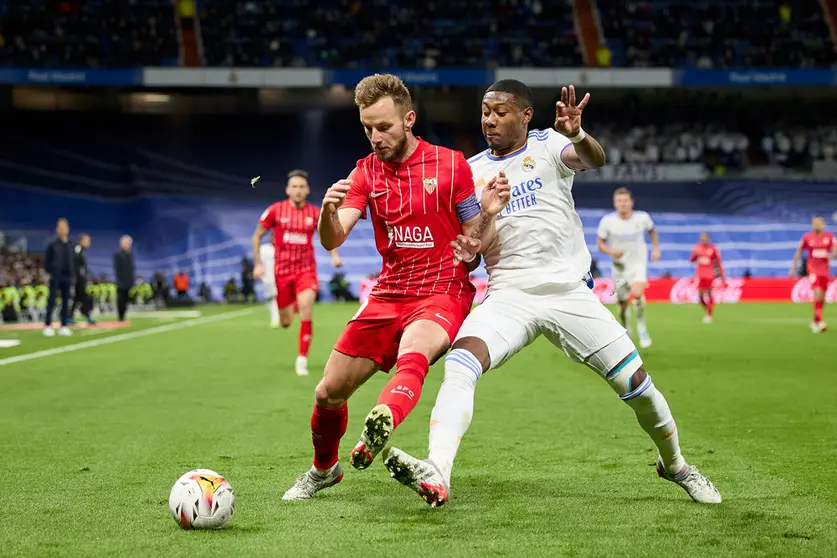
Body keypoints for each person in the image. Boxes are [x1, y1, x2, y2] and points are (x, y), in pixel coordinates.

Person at [382, 80, 721, 507]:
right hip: (509, 293)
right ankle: (438, 469)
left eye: (500, 112)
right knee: (461, 364)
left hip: (568, 293)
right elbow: (470, 252)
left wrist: (577, 132)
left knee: (640, 388)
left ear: (526, 115)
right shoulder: (469, 172)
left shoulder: (549, 146)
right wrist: (473, 242)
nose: (489, 120)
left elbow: (593, 159)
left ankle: (676, 466)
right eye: (485, 112)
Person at [281, 73, 509, 501]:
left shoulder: (450, 164)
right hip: (389, 293)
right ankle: (324, 469)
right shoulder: (364, 173)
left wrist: (489, 214)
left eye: (383, 127)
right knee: (328, 392)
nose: (375, 137)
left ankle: (383, 416)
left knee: (415, 351)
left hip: (443, 288)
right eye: (367, 127)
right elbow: (334, 238)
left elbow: (473, 245)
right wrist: (328, 213)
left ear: (409, 119)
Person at [252, 169, 344, 376]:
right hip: (282, 272)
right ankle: (289, 304)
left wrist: (334, 256)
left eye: (302, 187)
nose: (298, 190)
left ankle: (301, 359)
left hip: (306, 270)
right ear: (287, 190)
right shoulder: (276, 211)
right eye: (294, 186)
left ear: (307, 190)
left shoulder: (314, 213)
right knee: (285, 322)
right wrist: (258, 264)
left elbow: (327, 235)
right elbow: (257, 236)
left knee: (307, 307)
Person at [596, 188, 660, 348]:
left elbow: (652, 231)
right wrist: (612, 252)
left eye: (625, 201)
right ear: (615, 203)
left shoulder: (642, 218)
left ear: (631, 202)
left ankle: (642, 328)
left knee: (637, 294)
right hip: (619, 267)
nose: (622, 204)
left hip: (638, 263)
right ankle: (626, 327)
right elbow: (600, 244)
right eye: (619, 201)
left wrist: (656, 248)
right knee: (622, 302)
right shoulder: (608, 221)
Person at [790, 215, 836, 333]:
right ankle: (819, 321)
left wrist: (830, 255)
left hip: (825, 270)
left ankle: (815, 320)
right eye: (814, 223)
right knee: (817, 292)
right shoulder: (807, 237)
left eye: (818, 223)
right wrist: (793, 267)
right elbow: (799, 251)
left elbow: (835, 250)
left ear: (823, 224)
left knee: (822, 297)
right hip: (812, 268)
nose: (816, 225)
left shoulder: (829, 236)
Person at [43, 218, 74, 337]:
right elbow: (47, 261)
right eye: (59, 227)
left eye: (64, 227)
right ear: (57, 229)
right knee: (52, 300)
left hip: (67, 276)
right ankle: (48, 325)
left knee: (66, 301)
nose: (62, 230)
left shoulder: (70, 244)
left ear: (67, 229)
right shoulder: (52, 244)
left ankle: (64, 325)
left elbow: (73, 261)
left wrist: (72, 272)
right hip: (55, 276)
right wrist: (51, 271)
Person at [690, 233, 725, 323]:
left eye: (705, 238)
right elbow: (692, 260)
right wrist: (695, 254)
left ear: (708, 239)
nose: (703, 240)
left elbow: (718, 262)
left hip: (709, 275)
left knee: (709, 295)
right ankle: (708, 311)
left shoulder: (712, 249)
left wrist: (722, 276)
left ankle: (709, 315)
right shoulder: (697, 248)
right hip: (700, 275)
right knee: (700, 297)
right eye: (702, 238)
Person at [70, 233, 96, 325]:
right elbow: (75, 265)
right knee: (83, 298)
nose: (89, 242)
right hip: (78, 279)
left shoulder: (82, 251)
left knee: (78, 299)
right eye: (87, 240)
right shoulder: (77, 250)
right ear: (81, 241)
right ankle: (88, 317)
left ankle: (70, 317)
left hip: (81, 279)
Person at [113, 235, 136, 322]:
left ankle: (124, 315)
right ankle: (120, 316)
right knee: (121, 299)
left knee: (127, 299)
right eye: (127, 243)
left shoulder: (130, 254)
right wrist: (120, 279)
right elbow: (117, 268)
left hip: (129, 281)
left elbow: (131, 267)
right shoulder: (118, 254)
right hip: (121, 281)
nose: (129, 245)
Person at [258, 242, 280, 328]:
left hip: (280, 277)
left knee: (276, 297)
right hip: (268, 278)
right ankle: (275, 317)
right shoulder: (264, 249)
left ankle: (276, 319)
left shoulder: (283, 248)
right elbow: (260, 262)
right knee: (269, 298)